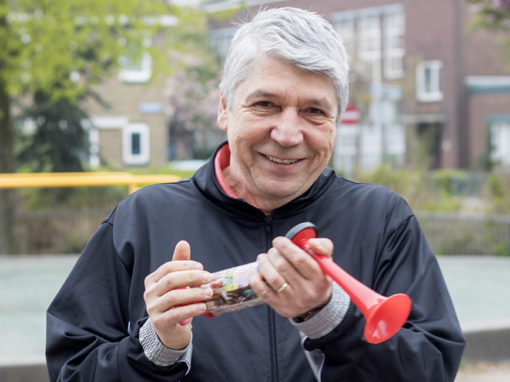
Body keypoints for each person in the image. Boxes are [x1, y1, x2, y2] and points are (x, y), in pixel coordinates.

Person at [46, 7, 465, 382]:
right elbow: (72, 370)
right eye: (265, 104)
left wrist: (331, 319)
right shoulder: (141, 218)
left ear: (336, 121)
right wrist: (156, 348)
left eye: (314, 111)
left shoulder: (384, 219)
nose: (287, 134)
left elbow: (432, 368)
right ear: (225, 107)